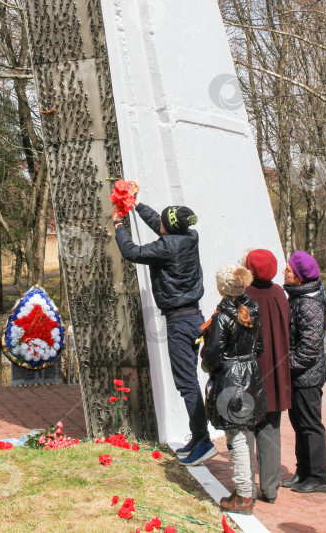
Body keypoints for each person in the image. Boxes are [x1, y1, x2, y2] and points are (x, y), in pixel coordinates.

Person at [112, 181, 218, 466]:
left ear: (168, 229)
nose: (157, 222)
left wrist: (118, 225)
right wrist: (135, 204)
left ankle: (203, 441)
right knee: (189, 381)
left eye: (162, 221)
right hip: (193, 317)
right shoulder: (189, 237)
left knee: (186, 383)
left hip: (180, 322)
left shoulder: (166, 247)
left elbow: (132, 253)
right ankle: (198, 436)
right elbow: (160, 225)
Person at [202, 263, 268, 516]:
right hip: (250, 375)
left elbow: (213, 355)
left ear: (221, 287)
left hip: (231, 379)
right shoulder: (253, 309)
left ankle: (243, 495)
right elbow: (259, 347)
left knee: (236, 437)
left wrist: (209, 365)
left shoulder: (222, 317)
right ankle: (241, 490)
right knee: (241, 433)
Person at [243, 249, 291, 504]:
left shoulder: (244, 297)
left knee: (246, 431)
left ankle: (247, 488)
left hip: (250, 374)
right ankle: (271, 489)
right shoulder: (279, 294)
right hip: (276, 374)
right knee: (271, 431)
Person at [282, 251, 326, 493]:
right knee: (299, 424)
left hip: (307, 376)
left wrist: (285, 366)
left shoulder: (310, 302)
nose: (284, 272)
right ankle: (303, 472)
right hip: (298, 375)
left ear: (299, 278)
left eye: (288, 270)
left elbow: (309, 346)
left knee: (310, 425)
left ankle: (319, 477)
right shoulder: (299, 297)